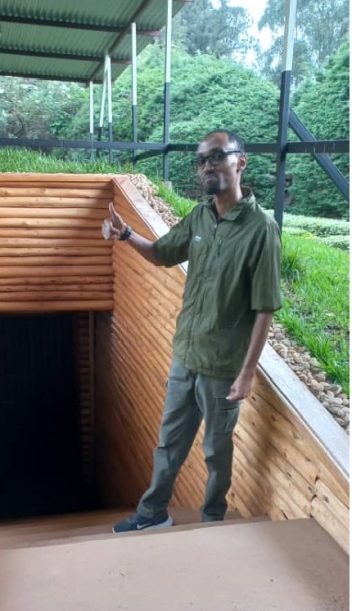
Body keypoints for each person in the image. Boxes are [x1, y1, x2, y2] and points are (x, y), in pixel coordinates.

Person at [105, 129, 281, 533]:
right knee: (169, 443)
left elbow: (265, 308)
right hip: (186, 354)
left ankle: (213, 522)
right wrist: (127, 235)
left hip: (223, 365)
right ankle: (153, 514)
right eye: (201, 160)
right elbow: (163, 254)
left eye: (217, 157)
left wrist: (247, 372)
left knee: (216, 451)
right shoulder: (200, 215)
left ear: (240, 162)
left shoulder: (261, 229)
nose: (207, 167)